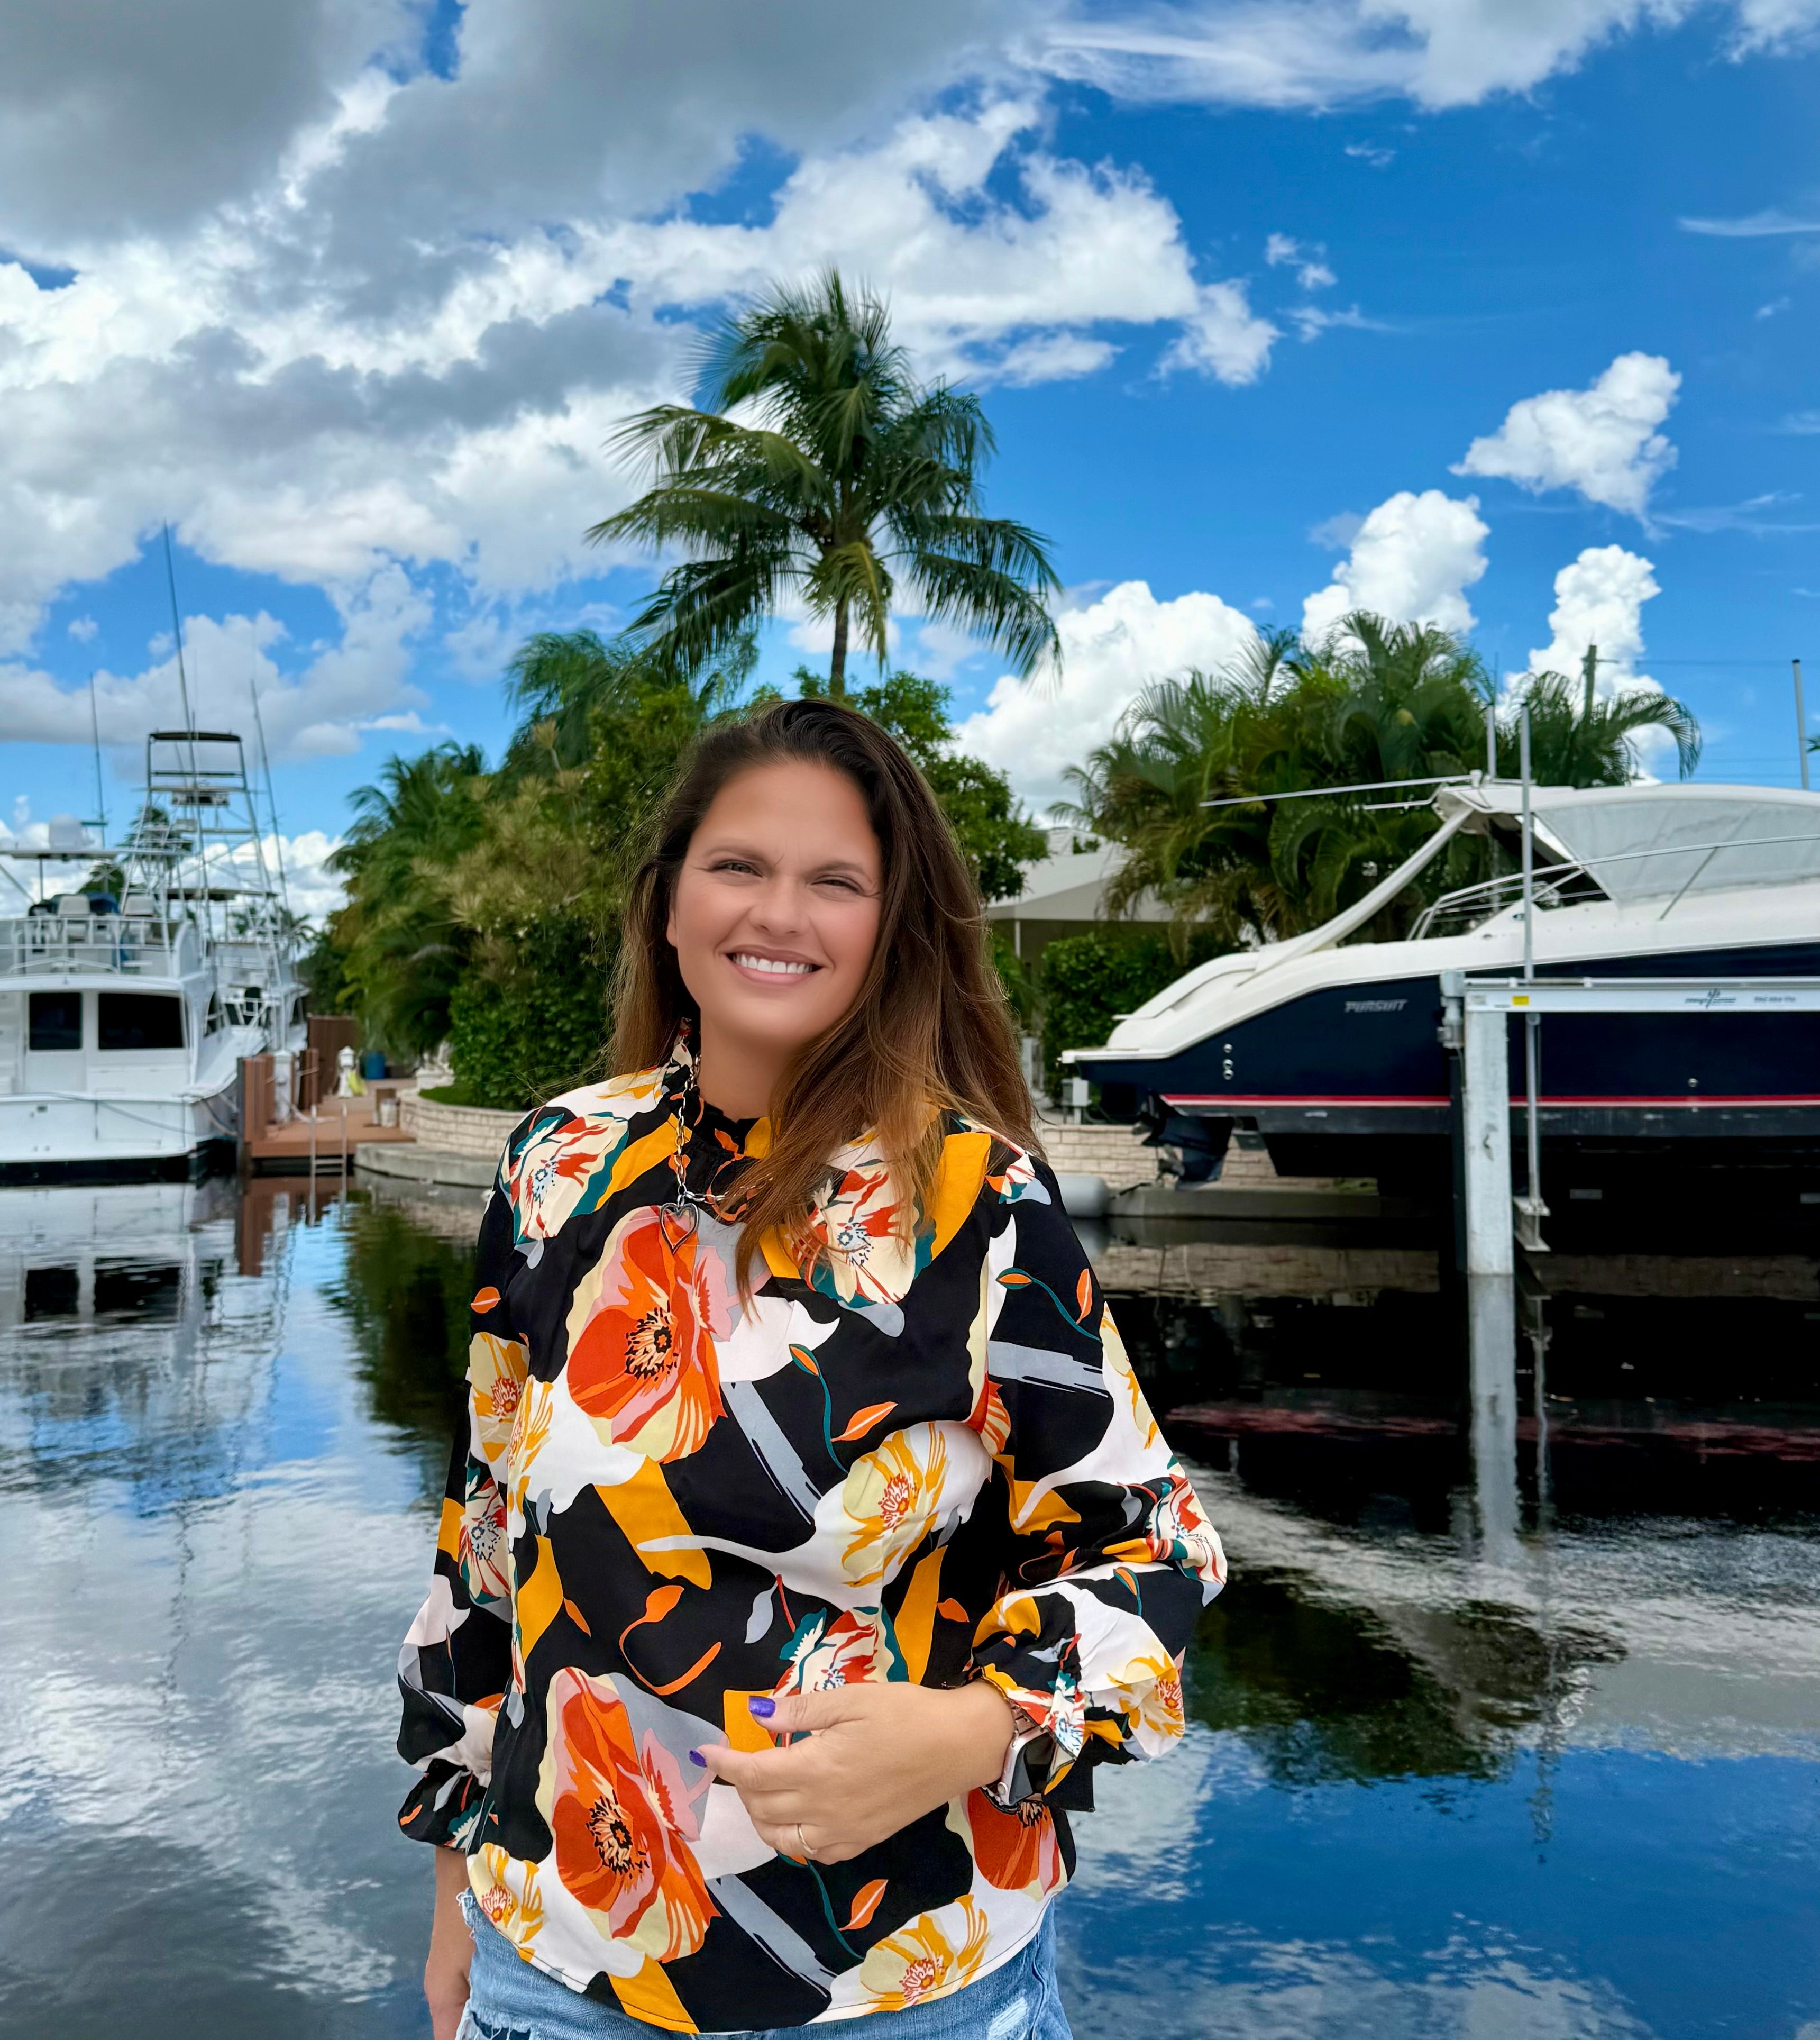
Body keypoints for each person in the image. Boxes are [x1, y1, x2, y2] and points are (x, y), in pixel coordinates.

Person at [398, 698, 1224, 2039]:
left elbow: (1154, 1547)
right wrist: (451, 1883)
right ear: (667, 904)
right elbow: (484, 1538)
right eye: (738, 866)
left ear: (886, 932)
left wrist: (970, 1733)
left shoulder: (972, 1198)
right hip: (551, 1964)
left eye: (833, 880)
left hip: (907, 1985)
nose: (778, 912)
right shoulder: (554, 1165)